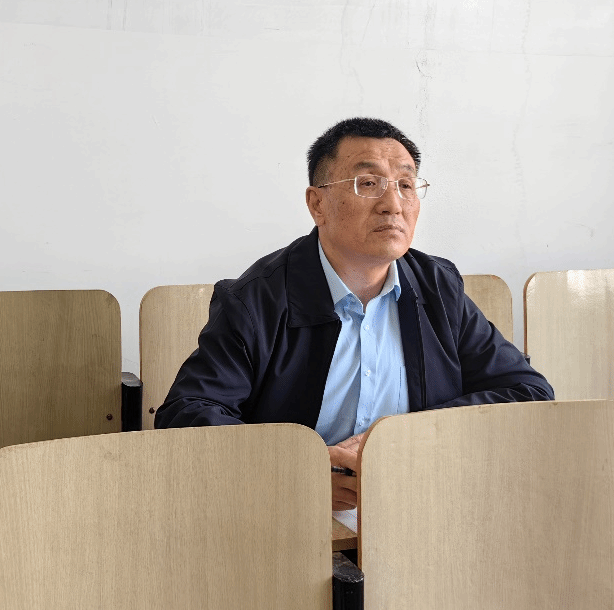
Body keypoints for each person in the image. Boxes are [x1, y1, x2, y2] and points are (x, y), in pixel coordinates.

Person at [155, 117, 553, 510]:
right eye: (368, 183)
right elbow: (187, 415)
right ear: (317, 204)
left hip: (419, 502)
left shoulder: (438, 286)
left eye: (405, 185)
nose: (393, 205)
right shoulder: (256, 300)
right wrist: (298, 473)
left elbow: (527, 392)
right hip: (291, 511)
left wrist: (403, 441)